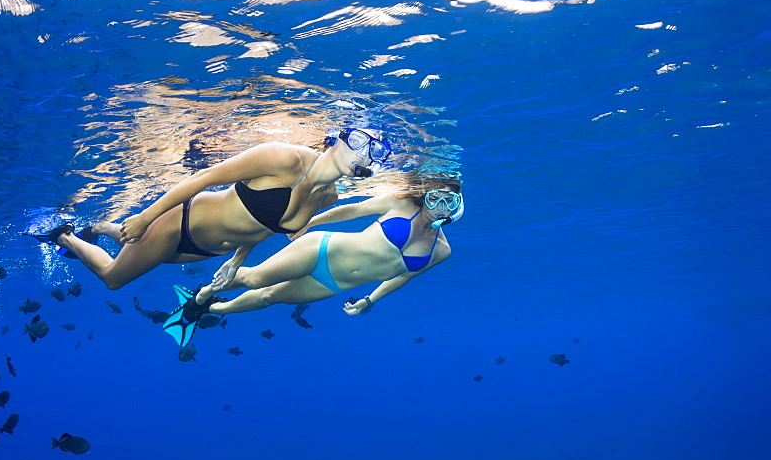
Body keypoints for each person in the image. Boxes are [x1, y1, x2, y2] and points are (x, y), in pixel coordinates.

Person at [28, 128, 394, 290]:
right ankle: (65, 234)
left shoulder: (328, 196)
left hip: (202, 251)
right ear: (338, 137)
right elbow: (204, 177)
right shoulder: (283, 157)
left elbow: (267, 227)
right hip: (179, 225)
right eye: (359, 140)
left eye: (374, 152)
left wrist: (235, 261)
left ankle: (105, 228)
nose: (362, 153)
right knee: (113, 278)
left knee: (129, 246)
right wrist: (145, 216)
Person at [163, 175, 463, 346]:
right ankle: (203, 292)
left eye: (448, 201)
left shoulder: (441, 250)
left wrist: (369, 301)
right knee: (254, 279)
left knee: (269, 298)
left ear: (457, 206)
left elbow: (403, 276)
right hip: (323, 249)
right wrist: (309, 223)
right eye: (434, 197)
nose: (439, 206)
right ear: (425, 195)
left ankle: (209, 309)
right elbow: (352, 211)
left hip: (333, 283)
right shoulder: (400, 203)